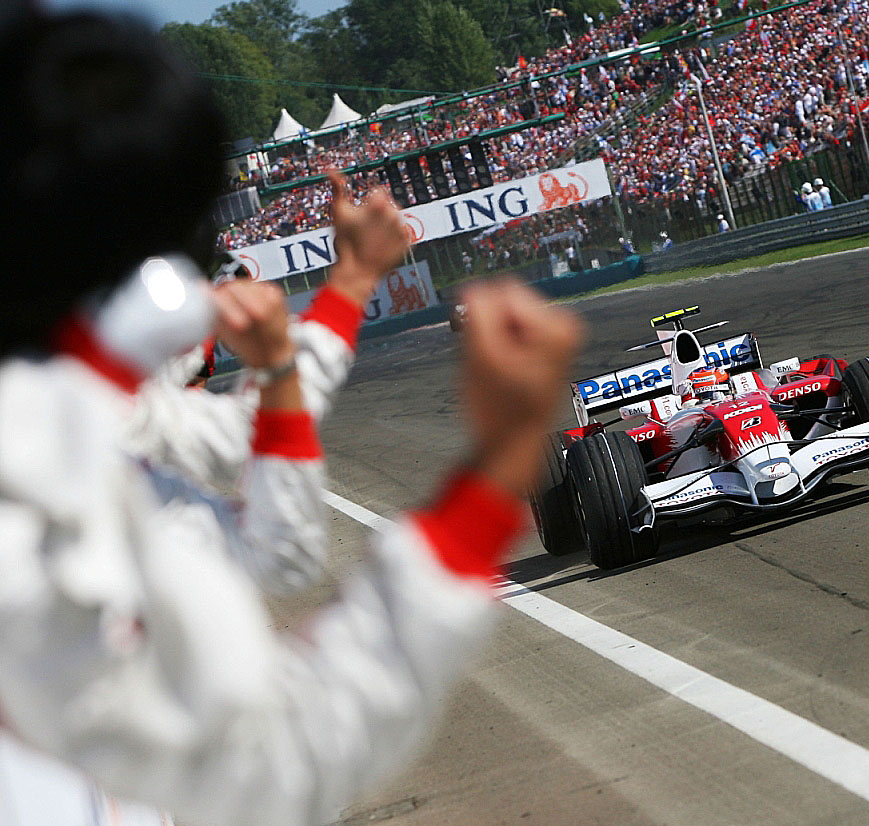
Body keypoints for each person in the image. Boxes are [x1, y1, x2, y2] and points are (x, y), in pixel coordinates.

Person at [0, 11, 581, 826]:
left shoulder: (93, 444)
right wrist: (500, 459)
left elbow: (272, 525)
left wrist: (328, 310)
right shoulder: (61, 473)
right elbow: (279, 747)